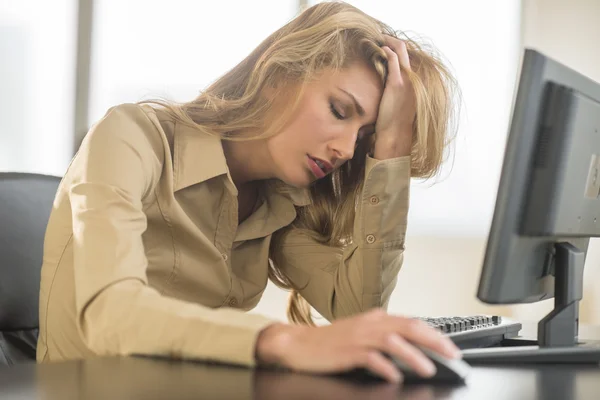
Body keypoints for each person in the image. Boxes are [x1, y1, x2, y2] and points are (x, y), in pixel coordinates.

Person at [37, 1, 461, 383]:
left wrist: (389, 153)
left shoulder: (278, 203)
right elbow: (109, 312)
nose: (346, 150)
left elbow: (355, 310)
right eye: (339, 110)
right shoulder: (131, 137)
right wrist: (283, 341)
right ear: (279, 73)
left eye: (363, 137)